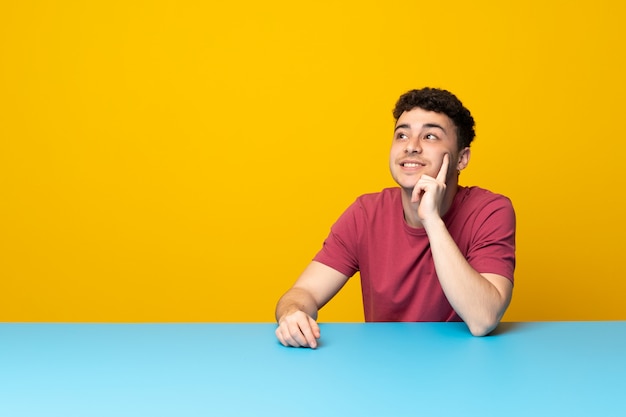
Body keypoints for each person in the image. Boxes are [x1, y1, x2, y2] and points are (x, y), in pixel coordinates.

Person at [275, 87, 516, 348]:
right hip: (385, 367)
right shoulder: (365, 213)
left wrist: (432, 221)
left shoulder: (490, 211)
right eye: (402, 135)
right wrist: (292, 314)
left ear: (462, 158)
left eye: (430, 136)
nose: (411, 147)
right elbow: (303, 293)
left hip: (463, 370)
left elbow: (483, 318)